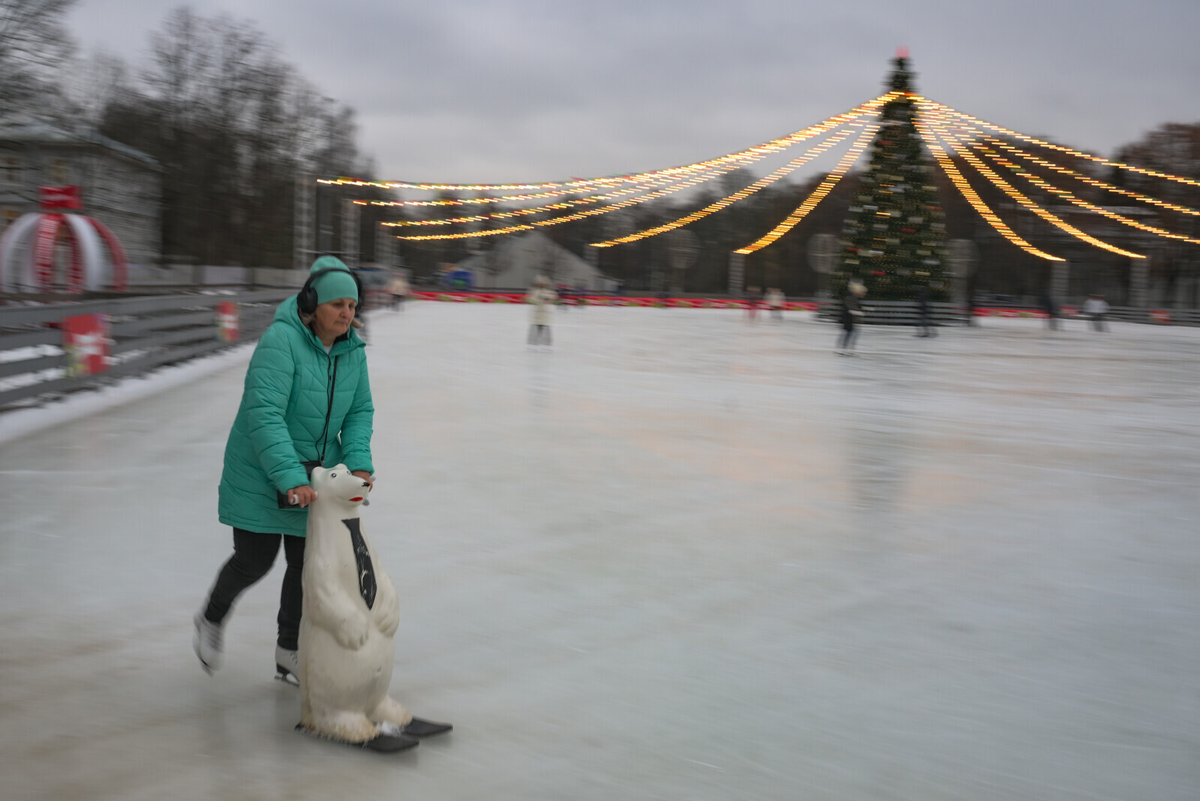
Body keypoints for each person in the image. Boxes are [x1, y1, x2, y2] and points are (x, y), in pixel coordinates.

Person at [194, 255, 376, 684]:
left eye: (352, 305)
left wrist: (359, 465)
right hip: (261, 469)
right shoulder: (281, 341)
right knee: (254, 561)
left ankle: (288, 651)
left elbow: (359, 412)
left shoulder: (352, 352)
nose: (348, 314)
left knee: (305, 564)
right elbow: (265, 414)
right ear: (312, 304)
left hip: (313, 475)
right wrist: (289, 476)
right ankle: (211, 618)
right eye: (338, 305)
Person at [837, 281, 867, 355]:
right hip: (847, 318)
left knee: (851, 333)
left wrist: (864, 308)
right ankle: (842, 348)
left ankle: (847, 348)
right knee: (848, 333)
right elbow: (849, 307)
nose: (863, 294)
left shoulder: (854, 297)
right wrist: (856, 311)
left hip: (851, 319)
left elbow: (857, 306)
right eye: (862, 292)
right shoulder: (850, 297)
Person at [527, 274, 557, 346]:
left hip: (544, 314)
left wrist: (548, 299)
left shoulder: (548, 292)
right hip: (537, 314)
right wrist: (532, 300)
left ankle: (546, 343)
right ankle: (533, 343)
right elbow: (532, 299)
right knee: (535, 328)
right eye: (540, 284)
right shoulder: (535, 291)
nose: (542, 285)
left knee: (545, 329)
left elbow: (553, 297)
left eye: (543, 284)